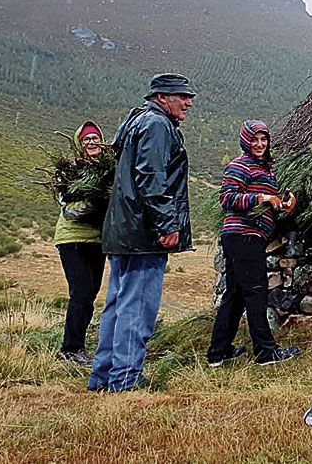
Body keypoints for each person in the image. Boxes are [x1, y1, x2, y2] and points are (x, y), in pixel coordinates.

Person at [88, 73, 196, 392]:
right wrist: (167, 224)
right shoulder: (157, 125)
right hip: (143, 236)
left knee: (117, 307)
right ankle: (125, 381)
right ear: (162, 97)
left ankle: (103, 377)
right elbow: (151, 176)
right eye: (182, 96)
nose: (188, 102)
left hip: (123, 233)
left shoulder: (137, 121)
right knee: (137, 309)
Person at [207, 119, 300, 367]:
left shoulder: (267, 169)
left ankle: (218, 352)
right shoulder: (240, 166)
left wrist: (282, 205)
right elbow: (227, 198)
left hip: (248, 237)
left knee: (235, 295)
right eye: (254, 139)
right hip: (243, 236)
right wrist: (261, 196)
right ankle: (265, 352)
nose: (259, 144)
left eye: (263, 139)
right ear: (245, 142)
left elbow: (267, 203)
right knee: (256, 292)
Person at [50, 120, 113, 365]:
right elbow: (69, 207)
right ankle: (70, 349)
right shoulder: (70, 172)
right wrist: (96, 203)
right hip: (72, 239)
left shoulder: (108, 170)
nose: (91, 142)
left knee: (90, 292)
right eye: (86, 139)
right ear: (79, 144)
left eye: (95, 137)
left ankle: (77, 347)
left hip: (97, 241)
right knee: (82, 292)